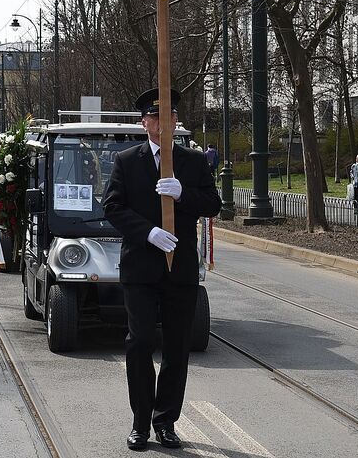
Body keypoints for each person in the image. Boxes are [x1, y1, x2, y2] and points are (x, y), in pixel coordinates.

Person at [102, 88, 221, 452]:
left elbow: (213, 205)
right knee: (139, 343)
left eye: (168, 117)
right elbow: (112, 207)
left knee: (176, 346)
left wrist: (184, 194)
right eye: (154, 118)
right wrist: (148, 232)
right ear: (145, 123)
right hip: (140, 266)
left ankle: (165, 421)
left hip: (179, 269)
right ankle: (140, 423)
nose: (162, 123)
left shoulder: (193, 162)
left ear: (175, 121)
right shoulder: (127, 160)